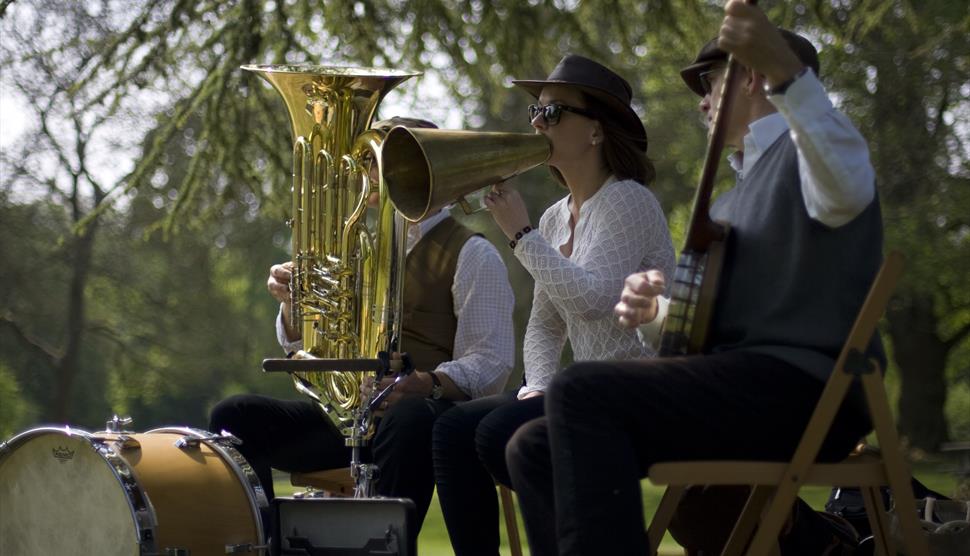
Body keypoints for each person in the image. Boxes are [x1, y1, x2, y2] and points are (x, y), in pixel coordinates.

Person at [505, 2, 884, 555]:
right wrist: (656, 313)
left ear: (752, 78)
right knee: (529, 447)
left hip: (810, 389)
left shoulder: (815, 156)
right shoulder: (729, 198)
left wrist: (783, 67)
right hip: (741, 387)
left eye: (710, 85)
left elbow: (845, 177)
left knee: (581, 388)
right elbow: (703, 330)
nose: (702, 103)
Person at [208, 116, 516, 534]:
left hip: (422, 421)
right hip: (349, 419)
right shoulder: (355, 251)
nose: (372, 176)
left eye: (385, 164)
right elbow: (308, 345)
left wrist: (425, 382)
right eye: (372, 165)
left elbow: (492, 363)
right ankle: (267, 544)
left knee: (407, 417)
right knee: (235, 416)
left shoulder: (473, 254)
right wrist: (293, 305)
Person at [431, 55, 675, 556]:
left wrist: (520, 235)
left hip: (633, 396)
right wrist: (538, 385)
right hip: (579, 395)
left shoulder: (627, 200)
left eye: (554, 113)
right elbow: (544, 326)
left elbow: (590, 300)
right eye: (535, 113)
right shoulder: (554, 216)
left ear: (596, 133)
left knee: (496, 432)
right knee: (451, 430)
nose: (538, 123)